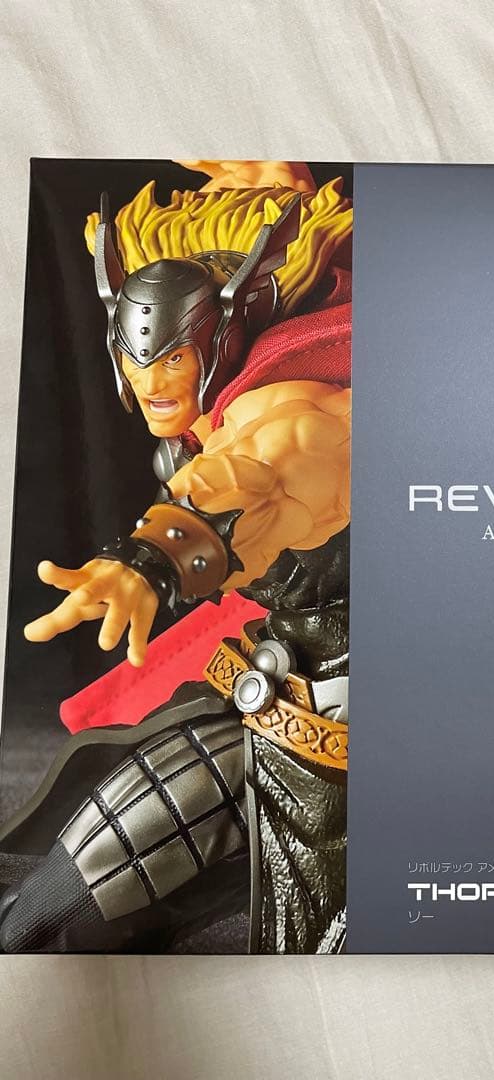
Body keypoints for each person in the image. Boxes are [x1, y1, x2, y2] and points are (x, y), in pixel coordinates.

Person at [0, 162, 352, 954]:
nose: (152, 384)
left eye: (173, 359)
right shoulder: (259, 354)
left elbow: (260, 472)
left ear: (221, 336)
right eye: (137, 359)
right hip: (270, 686)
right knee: (48, 903)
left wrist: (152, 559)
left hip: (346, 730)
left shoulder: (309, 405)